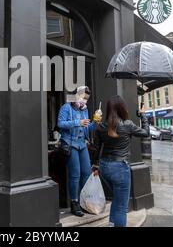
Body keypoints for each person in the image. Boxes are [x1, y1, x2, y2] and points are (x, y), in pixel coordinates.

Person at [93, 96, 149, 227]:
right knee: (121, 207)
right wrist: (143, 116)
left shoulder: (101, 126)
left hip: (104, 167)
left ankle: (112, 224)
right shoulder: (127, 124)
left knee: (116, 201)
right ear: (122, 108)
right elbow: (146, 132)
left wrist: (95, 165)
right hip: (120, 168)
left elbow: (96, 148)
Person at [57, 86, 101, 217]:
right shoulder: (66, 107)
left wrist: (96, 121)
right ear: (76, 95)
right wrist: (78, 122)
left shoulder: (84, 110)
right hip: (71, 144)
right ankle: (74, 203)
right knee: (75, 174)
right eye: (83, 98)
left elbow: (87, 129)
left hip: (82, 144)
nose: (84, 101)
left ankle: (84, 201)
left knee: (87, 173)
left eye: (86, 99)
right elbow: (60, 124)